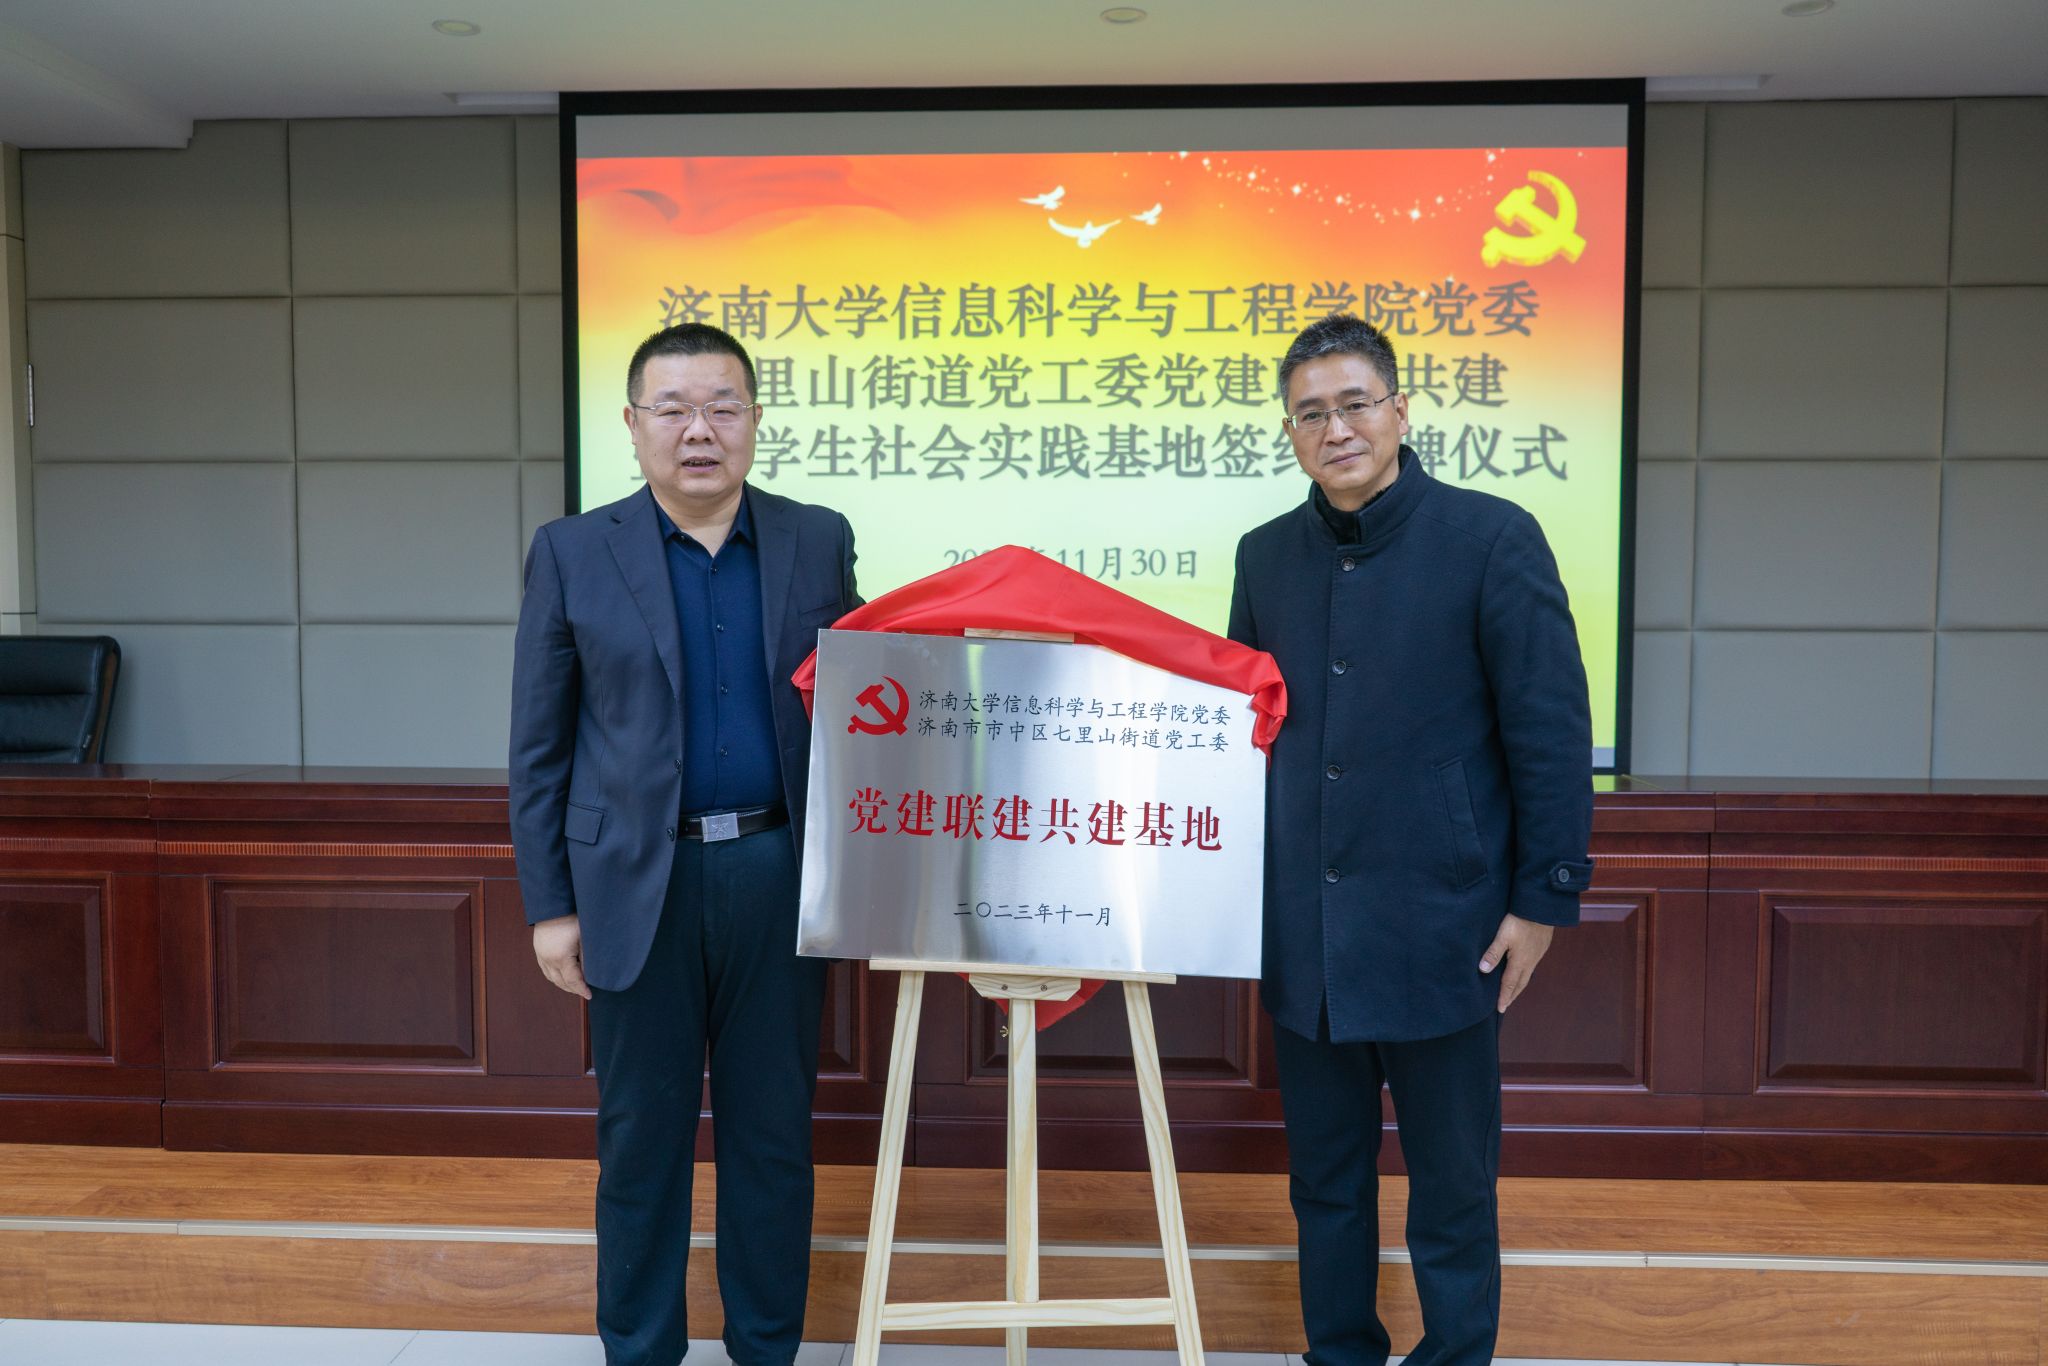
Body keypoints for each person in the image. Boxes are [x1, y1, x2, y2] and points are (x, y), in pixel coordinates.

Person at [1227, 313, 1593, 1366]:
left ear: (1398, 410)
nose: (1334, 429)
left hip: (1447, 921)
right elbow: (1243, 730)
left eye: (1354, 404)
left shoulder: (1491, 537)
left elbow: (1548, 729)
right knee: (1324, 1181)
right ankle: (1338, 1352)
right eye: (1309, 413)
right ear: (1290, 433)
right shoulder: (1265, 555)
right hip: (1307, 928)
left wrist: (1543, 899)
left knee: (1451, 1183)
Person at [509, 322, 859, 1366]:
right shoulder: (573, 551)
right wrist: (550, 905)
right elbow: (538, 744)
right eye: (672, 409)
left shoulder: (816, 538)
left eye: (721, 407)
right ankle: (640, 1349)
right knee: (640, 1142)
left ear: (754, 419)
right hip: (633, 884)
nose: (698, 430)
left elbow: (862, 705)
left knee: (771, 1139)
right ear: (632, 425)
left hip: (776, 872)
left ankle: (766, 1347)